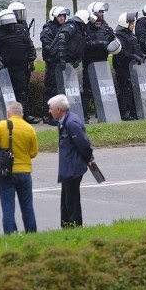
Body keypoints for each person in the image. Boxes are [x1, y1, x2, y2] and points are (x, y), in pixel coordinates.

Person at [0, 101, 39, 234]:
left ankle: (11, 234)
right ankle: (31, 233)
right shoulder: (29, 128)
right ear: (22, 114)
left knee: (8, 206)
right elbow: (33, 153)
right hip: (25, 172)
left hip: (6, 172)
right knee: (27, 206)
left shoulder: (2, 126)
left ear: (8, 114)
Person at [48, 94, 94, 228]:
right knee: (66, 198)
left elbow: (84, 145)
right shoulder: (64, 120)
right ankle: (66, 225)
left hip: (73, 167)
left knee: (71, 200)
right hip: (68, 167)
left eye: (51, 108)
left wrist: (88, 160)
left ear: (59, 109)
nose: (49, 111)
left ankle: (75, 226)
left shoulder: (71, 123)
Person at [0, 9, 37, 122]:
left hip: (21, 67)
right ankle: (5, 116)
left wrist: (31, 60)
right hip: (6, 68)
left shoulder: (21, 29)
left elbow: (29, 46)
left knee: (22, 92)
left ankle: (24, 115)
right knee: (5, 93)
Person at [40, 6, 69, 125]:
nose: (62, 18)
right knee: (51, 89)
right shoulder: (48, 29)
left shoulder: (65, 28)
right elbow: (48, 46)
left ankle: (59, 114)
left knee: (60, 89)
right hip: (52, 63)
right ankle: (48, 115)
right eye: (60, 16)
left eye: (63, 16)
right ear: (54, 17)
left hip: (61, 63)